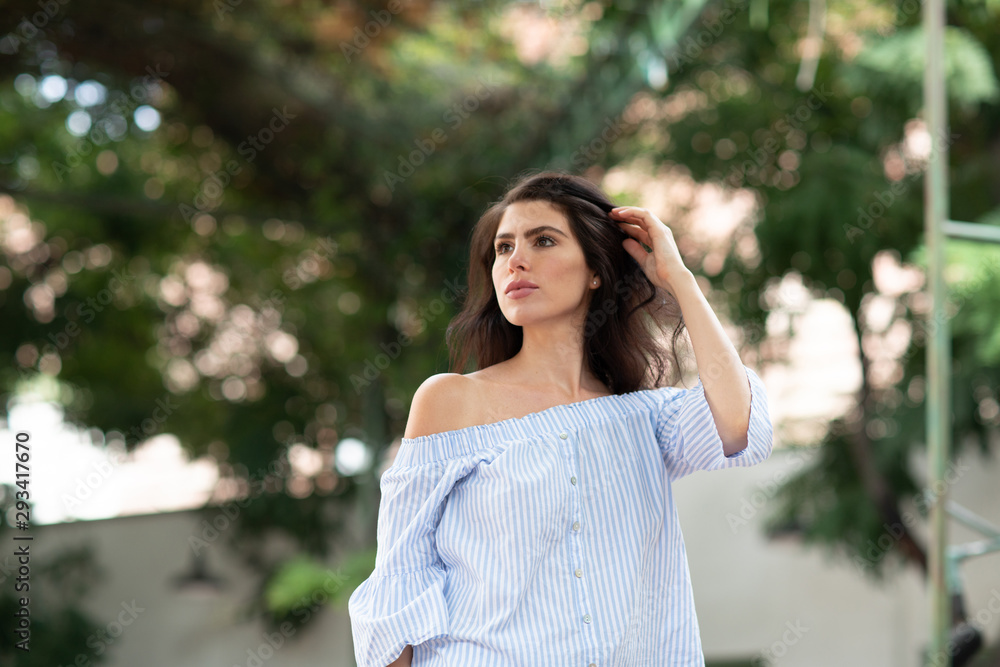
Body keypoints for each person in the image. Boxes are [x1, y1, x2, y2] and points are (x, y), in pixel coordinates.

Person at [348, 171, 773, 666]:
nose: (516, 261)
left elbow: (741, 427)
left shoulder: (649, 418)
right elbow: (403, 579)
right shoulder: (451, 402)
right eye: (503, 249)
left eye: (543, 241)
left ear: (596, 270)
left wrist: (678, 278)